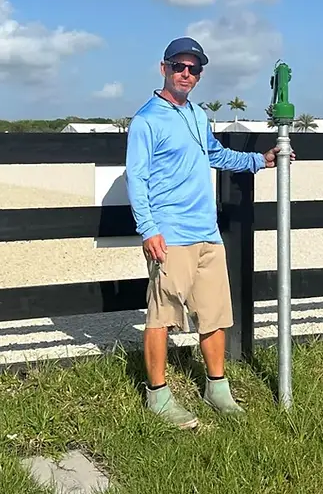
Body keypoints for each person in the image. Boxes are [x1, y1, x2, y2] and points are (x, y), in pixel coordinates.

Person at [124, 36, 293, 429]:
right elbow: (137, 177)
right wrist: (148, 230)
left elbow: (213, 153)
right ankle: (158, 396)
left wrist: (259, 160)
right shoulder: (147, 119)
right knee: (161, 317)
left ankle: (217, 388)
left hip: (206, 233)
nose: (186, 74)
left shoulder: (198, 115)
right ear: (163, 68)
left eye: (194, 68)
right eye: (179, 66)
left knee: (214, 315)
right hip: (170, 236)